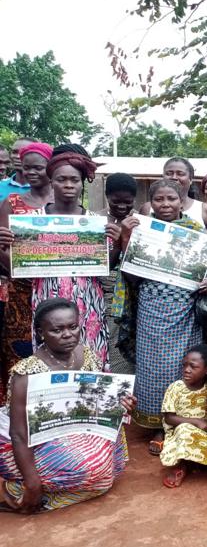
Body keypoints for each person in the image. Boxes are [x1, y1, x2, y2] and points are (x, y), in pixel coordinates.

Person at [0, 298, 136, 513]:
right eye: (57, 330)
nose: (67, 334)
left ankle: (50, 493)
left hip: (78, 429)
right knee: (90, 469)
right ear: (40, 332)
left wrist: (120, 402)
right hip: (36, 442)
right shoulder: (26, 374)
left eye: (73, 327)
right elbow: (18, 433)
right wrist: (32, 482)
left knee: (107, 472)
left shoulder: (86, 354)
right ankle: (19, 487)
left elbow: (99, 400)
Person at [116, 179, 207, 453]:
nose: (165, 204)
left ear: (181, 199)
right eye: (159, 199)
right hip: (151, 306)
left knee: (183, 368)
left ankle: (178, 423)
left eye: (171, 199)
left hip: (185, 309)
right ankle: (157, 421)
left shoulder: (195, 229)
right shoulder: (141, 228)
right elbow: (129, 273)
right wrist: (126, 239)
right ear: (150, 202)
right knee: (151, 367)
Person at [29, 152, 115, 369]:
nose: (68, 185)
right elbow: (20, 267)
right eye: (61, 179)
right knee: (49, 359)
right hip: (48, 297)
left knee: (91, 356)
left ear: (82, 183)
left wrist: (119, 243)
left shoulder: (96, 223)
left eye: (74, 180)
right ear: (51, 182)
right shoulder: (32, 221)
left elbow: (106, 267)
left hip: (88, 300)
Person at [0, 143, 54, 401]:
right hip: (22, 289)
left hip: (56, 287)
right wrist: (10, 256)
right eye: (27, 167)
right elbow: (2, 250)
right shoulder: (11, 203)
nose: (31, 172)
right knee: (19, 348)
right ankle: (15, 411)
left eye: (38, 167)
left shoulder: (61, 201)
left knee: (56, 345)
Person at [160, 344, 207, 488]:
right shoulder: (176, 387)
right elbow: (169, 418)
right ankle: (182, 465)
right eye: (184, 365)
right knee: (184, 430)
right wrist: (195, 422)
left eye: (193, 367)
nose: (186, 370)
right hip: (179, 433)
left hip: (203, 433)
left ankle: (196, 462)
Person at [102, 173, 138, 375]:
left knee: (122, 353)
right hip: (103, 294)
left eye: (128, 202)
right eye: (116, 201)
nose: (122, 206)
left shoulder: (141, 223)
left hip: (131, 296)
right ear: (107, 196)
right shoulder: (96, 220)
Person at [140, 157, 207, 228]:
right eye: (169, 173)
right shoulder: (147, 208)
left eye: (180, 174)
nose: (174, 177)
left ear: (191, 179)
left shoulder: (204, 210)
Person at [0, 138, 35, 203]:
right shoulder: (1, 186)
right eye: (14, 152)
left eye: (24, 152)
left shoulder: (48, 190)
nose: (18, 156)